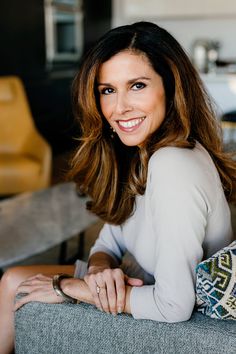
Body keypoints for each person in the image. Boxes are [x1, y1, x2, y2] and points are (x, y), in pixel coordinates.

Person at [0, 21, 235, 354]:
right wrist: (98, 273)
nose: (120, 107)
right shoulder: (138, 153)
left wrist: (72, 288)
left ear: (170, 86)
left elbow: (174, 306)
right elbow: (107, 243)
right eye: (107, 90)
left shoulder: (174, 164)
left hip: (180, 321)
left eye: (137, 85)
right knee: (12, 280)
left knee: (19, 289)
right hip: (137, 281)